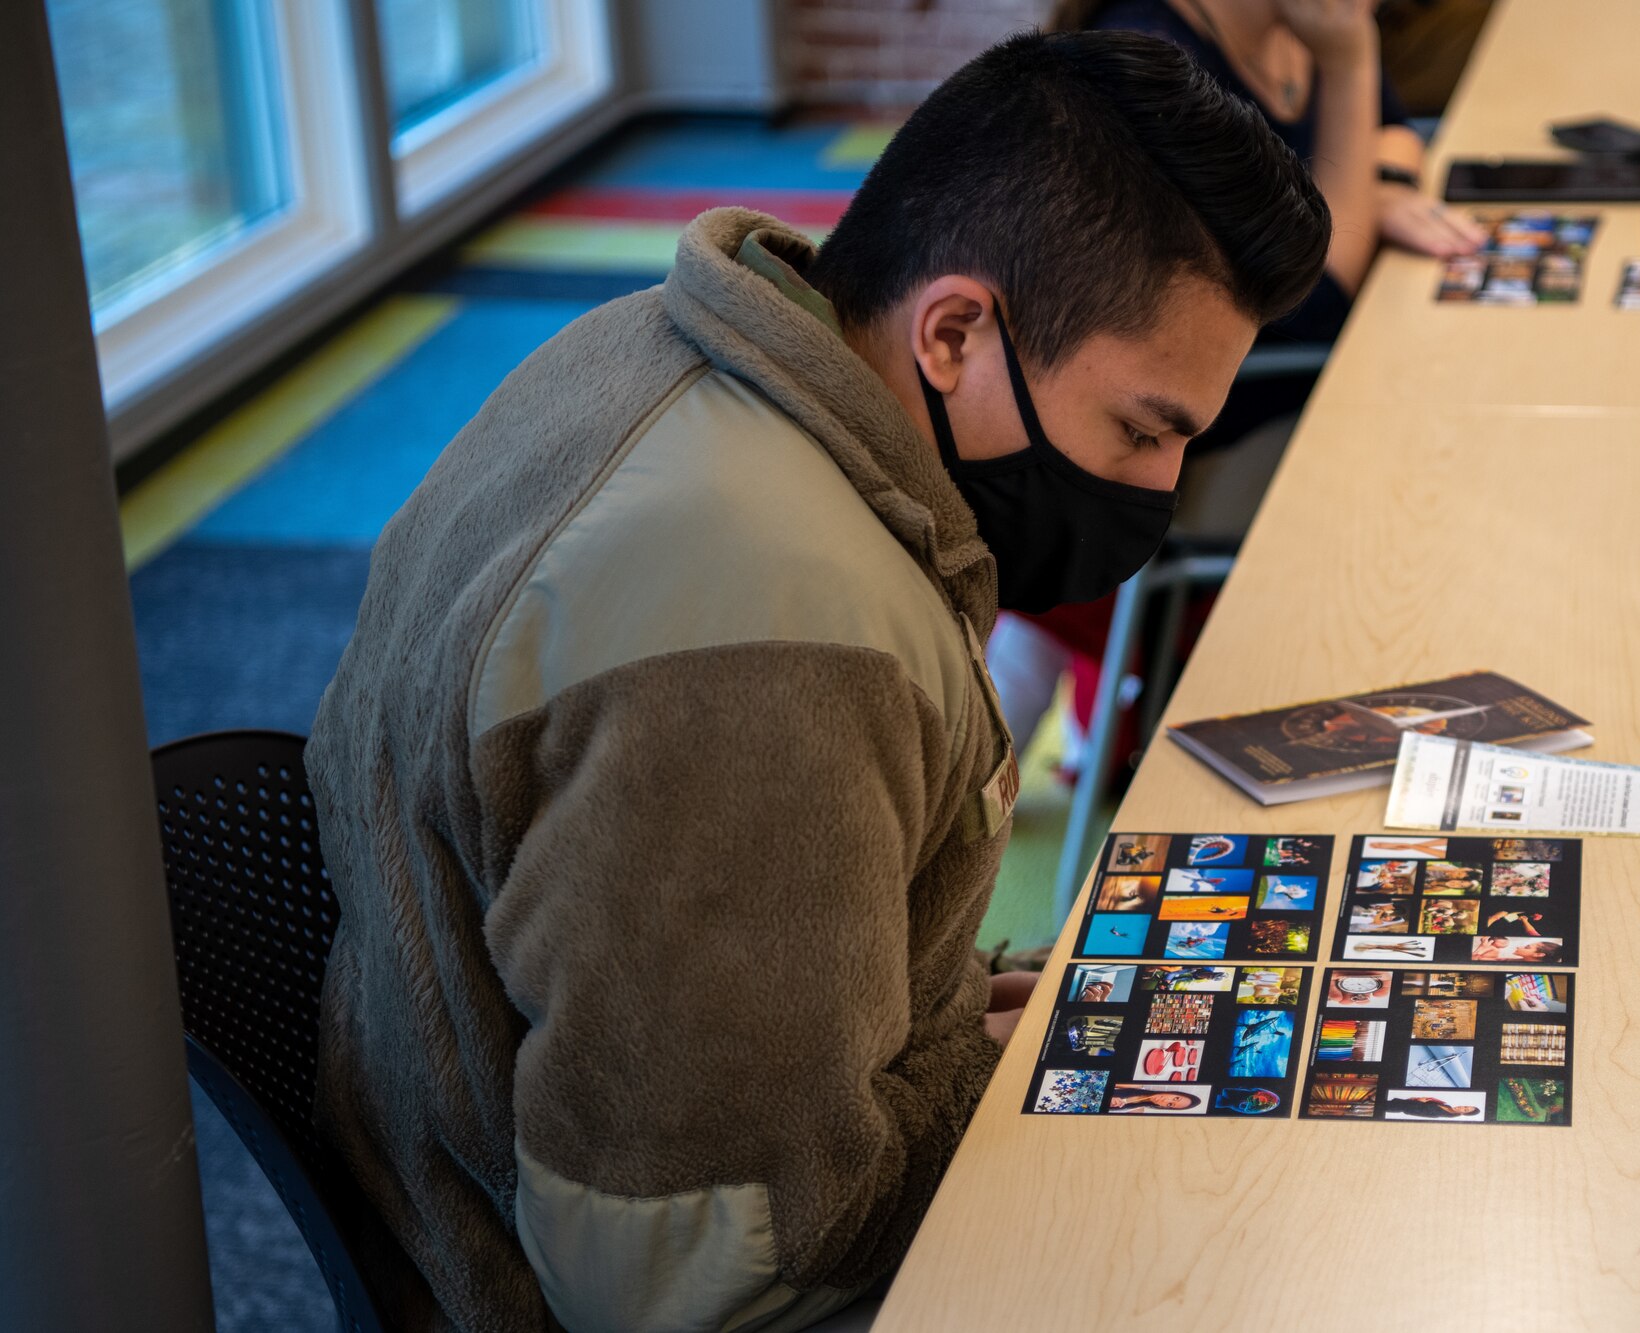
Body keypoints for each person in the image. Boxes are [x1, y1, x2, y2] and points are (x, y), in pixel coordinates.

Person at [304, 30, 1329, 1333]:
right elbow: (700, 1273)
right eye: (1141, 428)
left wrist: (960, 1017)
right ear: (954, 330)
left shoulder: (666, 342)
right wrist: (987, 1078)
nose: (1158, 493)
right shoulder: (774, 638)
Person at [993, 0, 1488, 772]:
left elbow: (1392, 128)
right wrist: (1351, 62)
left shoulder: (1297, 20)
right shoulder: (1163, 57)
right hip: (1197, 435)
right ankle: (1075, 673)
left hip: (1273, 396)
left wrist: (1378, 186)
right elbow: (1316, 301)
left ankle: (1059, 664)